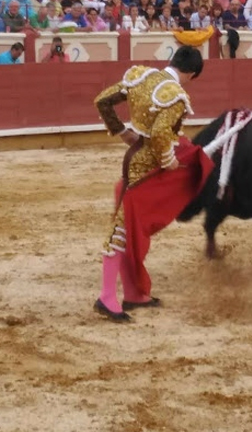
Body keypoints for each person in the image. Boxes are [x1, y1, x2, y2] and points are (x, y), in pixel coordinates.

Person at [92, 46, 205, 322]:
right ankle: (107, 297)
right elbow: (159, 133)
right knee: (124, 226)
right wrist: (169, 161)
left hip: (133, 154)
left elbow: (102, 101)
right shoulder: (176, 95)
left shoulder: (140, 76)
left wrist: (123, 132)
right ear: (190, 73)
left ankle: (133, 292)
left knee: (131, 224)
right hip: (147, 164)